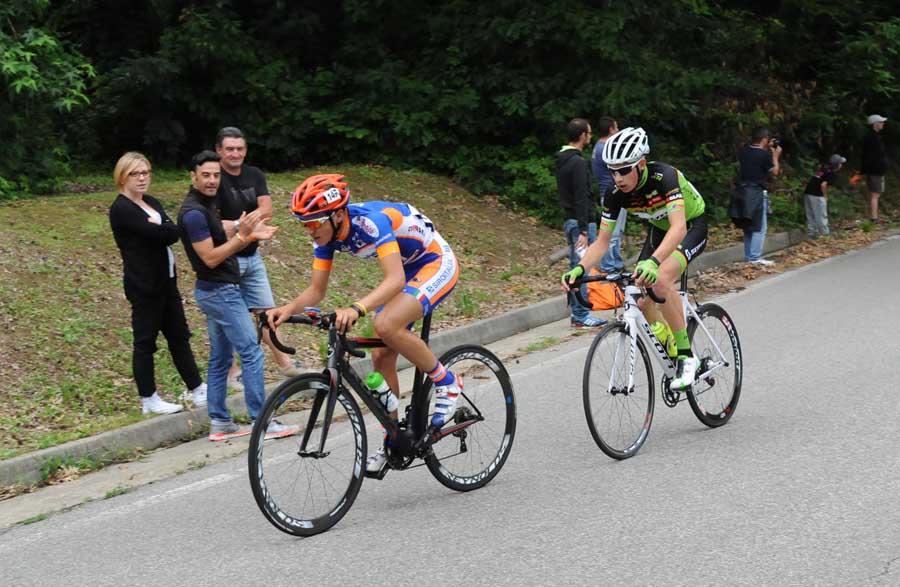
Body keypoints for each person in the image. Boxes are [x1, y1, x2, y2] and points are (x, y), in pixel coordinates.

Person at [267, 174, 462, 473]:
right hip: (406, 269)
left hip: (433, 262)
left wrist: (356, 308)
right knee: (381, 354)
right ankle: (395, 438)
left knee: (385, 325)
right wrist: (286, 310)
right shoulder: (327, 237)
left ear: (337, 215)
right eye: (304, 224)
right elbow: (316, 290)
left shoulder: (371, 223)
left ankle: (446, 382)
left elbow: (394, 279)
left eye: (313, 223)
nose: (309, 231)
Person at [562, 127, 708, 390]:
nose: (617, 178)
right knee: (639, 294)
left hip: (690, 225)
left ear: (641, 164)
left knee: (660, 279)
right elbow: (602, 242)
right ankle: (666, 336)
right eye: (612, 171)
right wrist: (580, 268)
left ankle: (687, 357)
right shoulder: (615, 194)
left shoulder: (665, 177)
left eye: (624, 170)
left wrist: (654, 261)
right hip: (659, 230)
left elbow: (678, 228)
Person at [177, 150, 292, 441]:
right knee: (251, 352)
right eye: (205, 175)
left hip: (216, 290)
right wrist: (244, 238)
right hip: (219, 292)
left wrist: (245, 229)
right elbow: (210, 258)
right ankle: (262, 420)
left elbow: (223, 231)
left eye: (216, 175)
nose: (212, 180)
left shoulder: (207, 205)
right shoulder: (193, 213)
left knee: (220, 357)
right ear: (193, 177)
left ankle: (220, 422)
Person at [109, 152, 207, 416]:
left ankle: (196, 388)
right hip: (144, 285)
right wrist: (162, 227)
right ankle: (148, 398)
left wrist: (163, 227)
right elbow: (162, 234)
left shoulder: (151, 202)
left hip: (167, 281)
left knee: (179, 336)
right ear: (123, 177)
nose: (142, 178)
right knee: (145, 342)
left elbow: (172, 231)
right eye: (135, 173)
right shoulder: (122, 209)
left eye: (145, 173)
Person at [213, 126, 305, 391]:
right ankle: (232, 372)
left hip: (252, 256)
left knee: (267, 311)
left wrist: (241, 224)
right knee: (229, 317)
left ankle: (285, 363)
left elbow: (267, 209)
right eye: (230, 149)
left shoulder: (254, 174)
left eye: (240, 148)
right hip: (227, 258)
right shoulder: (213, 178)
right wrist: (241, 225)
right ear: (219, 150)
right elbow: (213, 224)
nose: (235, 154)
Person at [556, 118, 606, 328]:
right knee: (580, 268)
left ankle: (579, 313)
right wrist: (584, 230)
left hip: (572, 220)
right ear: (582, 135)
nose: (590, 136)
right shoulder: (577, 162)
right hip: (580, 223)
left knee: (576, 266)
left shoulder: (562, 159)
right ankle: (580, 315)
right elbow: (581, 196)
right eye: (589, 133)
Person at [735, 126, 782, 266]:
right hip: (757, 192)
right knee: (760, 227)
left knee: (748, 225)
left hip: (742, 191)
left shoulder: (744, 151)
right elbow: (775, 172)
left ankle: (749, 257)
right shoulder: (764, 155)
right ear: (765, 139)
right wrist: (775, 156)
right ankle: (755, 258)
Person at [591, 116, 627, 273]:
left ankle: (617, 264)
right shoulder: (607, 148)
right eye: (616, 127)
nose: (618, 130)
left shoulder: (598, 146)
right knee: (612, 234)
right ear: (611, 129)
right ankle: (608, 267)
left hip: (610, 192)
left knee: (617, 232)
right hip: (613, 194)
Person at [804, 154, 846, 238]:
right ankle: (825, 235)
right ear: (837, 165)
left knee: (810, 215)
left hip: (808, 193)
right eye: (841, 163)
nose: (841, 165)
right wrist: (825, 196)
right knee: (821, 215)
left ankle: (812, 234)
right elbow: (823, 185)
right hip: (817, 195)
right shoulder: (832, 173)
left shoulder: (823, 168)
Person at [861, 114, 888, 223]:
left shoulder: (875, 136)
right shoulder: (872, 138)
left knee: (876, 194)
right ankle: (874, 218)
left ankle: (874, 216)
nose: (883, 124)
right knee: (875, 194)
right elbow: (870, 156)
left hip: (877, 170)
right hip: (875, 171)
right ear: (875, 124)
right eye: (881, 122)